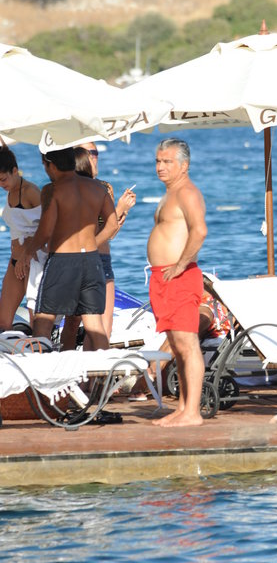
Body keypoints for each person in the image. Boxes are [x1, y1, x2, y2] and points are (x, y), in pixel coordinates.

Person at [16, 146, 118, 349]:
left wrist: (27, 252)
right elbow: (112, 225)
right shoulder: (98, 188)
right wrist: (92, 243)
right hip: (91, 261)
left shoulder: (54, 190)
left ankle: (41, 369)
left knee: (43, 322)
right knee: (94, 326)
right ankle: (104, 370)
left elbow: (45, 231)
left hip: (62, 261)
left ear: (51, 165)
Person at [147, 138, 207, 428]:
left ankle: (193, 412)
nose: (161, 167)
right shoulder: (171, 193)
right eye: (158, 161)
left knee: (187, 344)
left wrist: (181, 264)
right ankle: (183, 407)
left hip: (179, 277)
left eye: (167, 162)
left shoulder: (187, 192)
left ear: (184, 165)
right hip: (163, 277)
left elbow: (200, 231)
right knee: (176, 345)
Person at [79, 141, 136, 341]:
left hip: (103, 259)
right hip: (83, 260)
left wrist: (122, 213)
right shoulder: (74, 189)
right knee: (81, 325)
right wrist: (119, 210)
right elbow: (89, 231)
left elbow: (109, 233)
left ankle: (95, 361)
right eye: (88, 152)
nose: (93, 157)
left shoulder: (105, 187)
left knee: (106, 326)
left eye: (95, 152)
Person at [0, 145, 42, 331]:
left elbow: (47, 226)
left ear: (15, 171)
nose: (1, 184)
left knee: (36, 321)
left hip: (32, 260)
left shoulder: (30, 192)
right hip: (16, 261)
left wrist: (26, 256)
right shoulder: (11, 189)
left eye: (3, 179)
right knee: (3, 322)